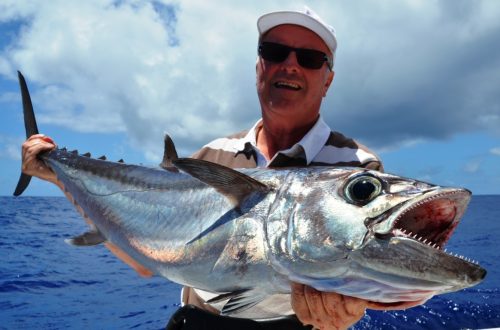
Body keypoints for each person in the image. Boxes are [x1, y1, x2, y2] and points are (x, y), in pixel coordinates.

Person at [21, 7, 424, 330]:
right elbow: (147, 261)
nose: (290, 65)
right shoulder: (213, 155)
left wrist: (346, 314)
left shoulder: (357, 169)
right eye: (274, 52)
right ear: (258, 68)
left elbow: (373, 276)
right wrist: (60, 177)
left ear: (328, 79)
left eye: (309, 58)